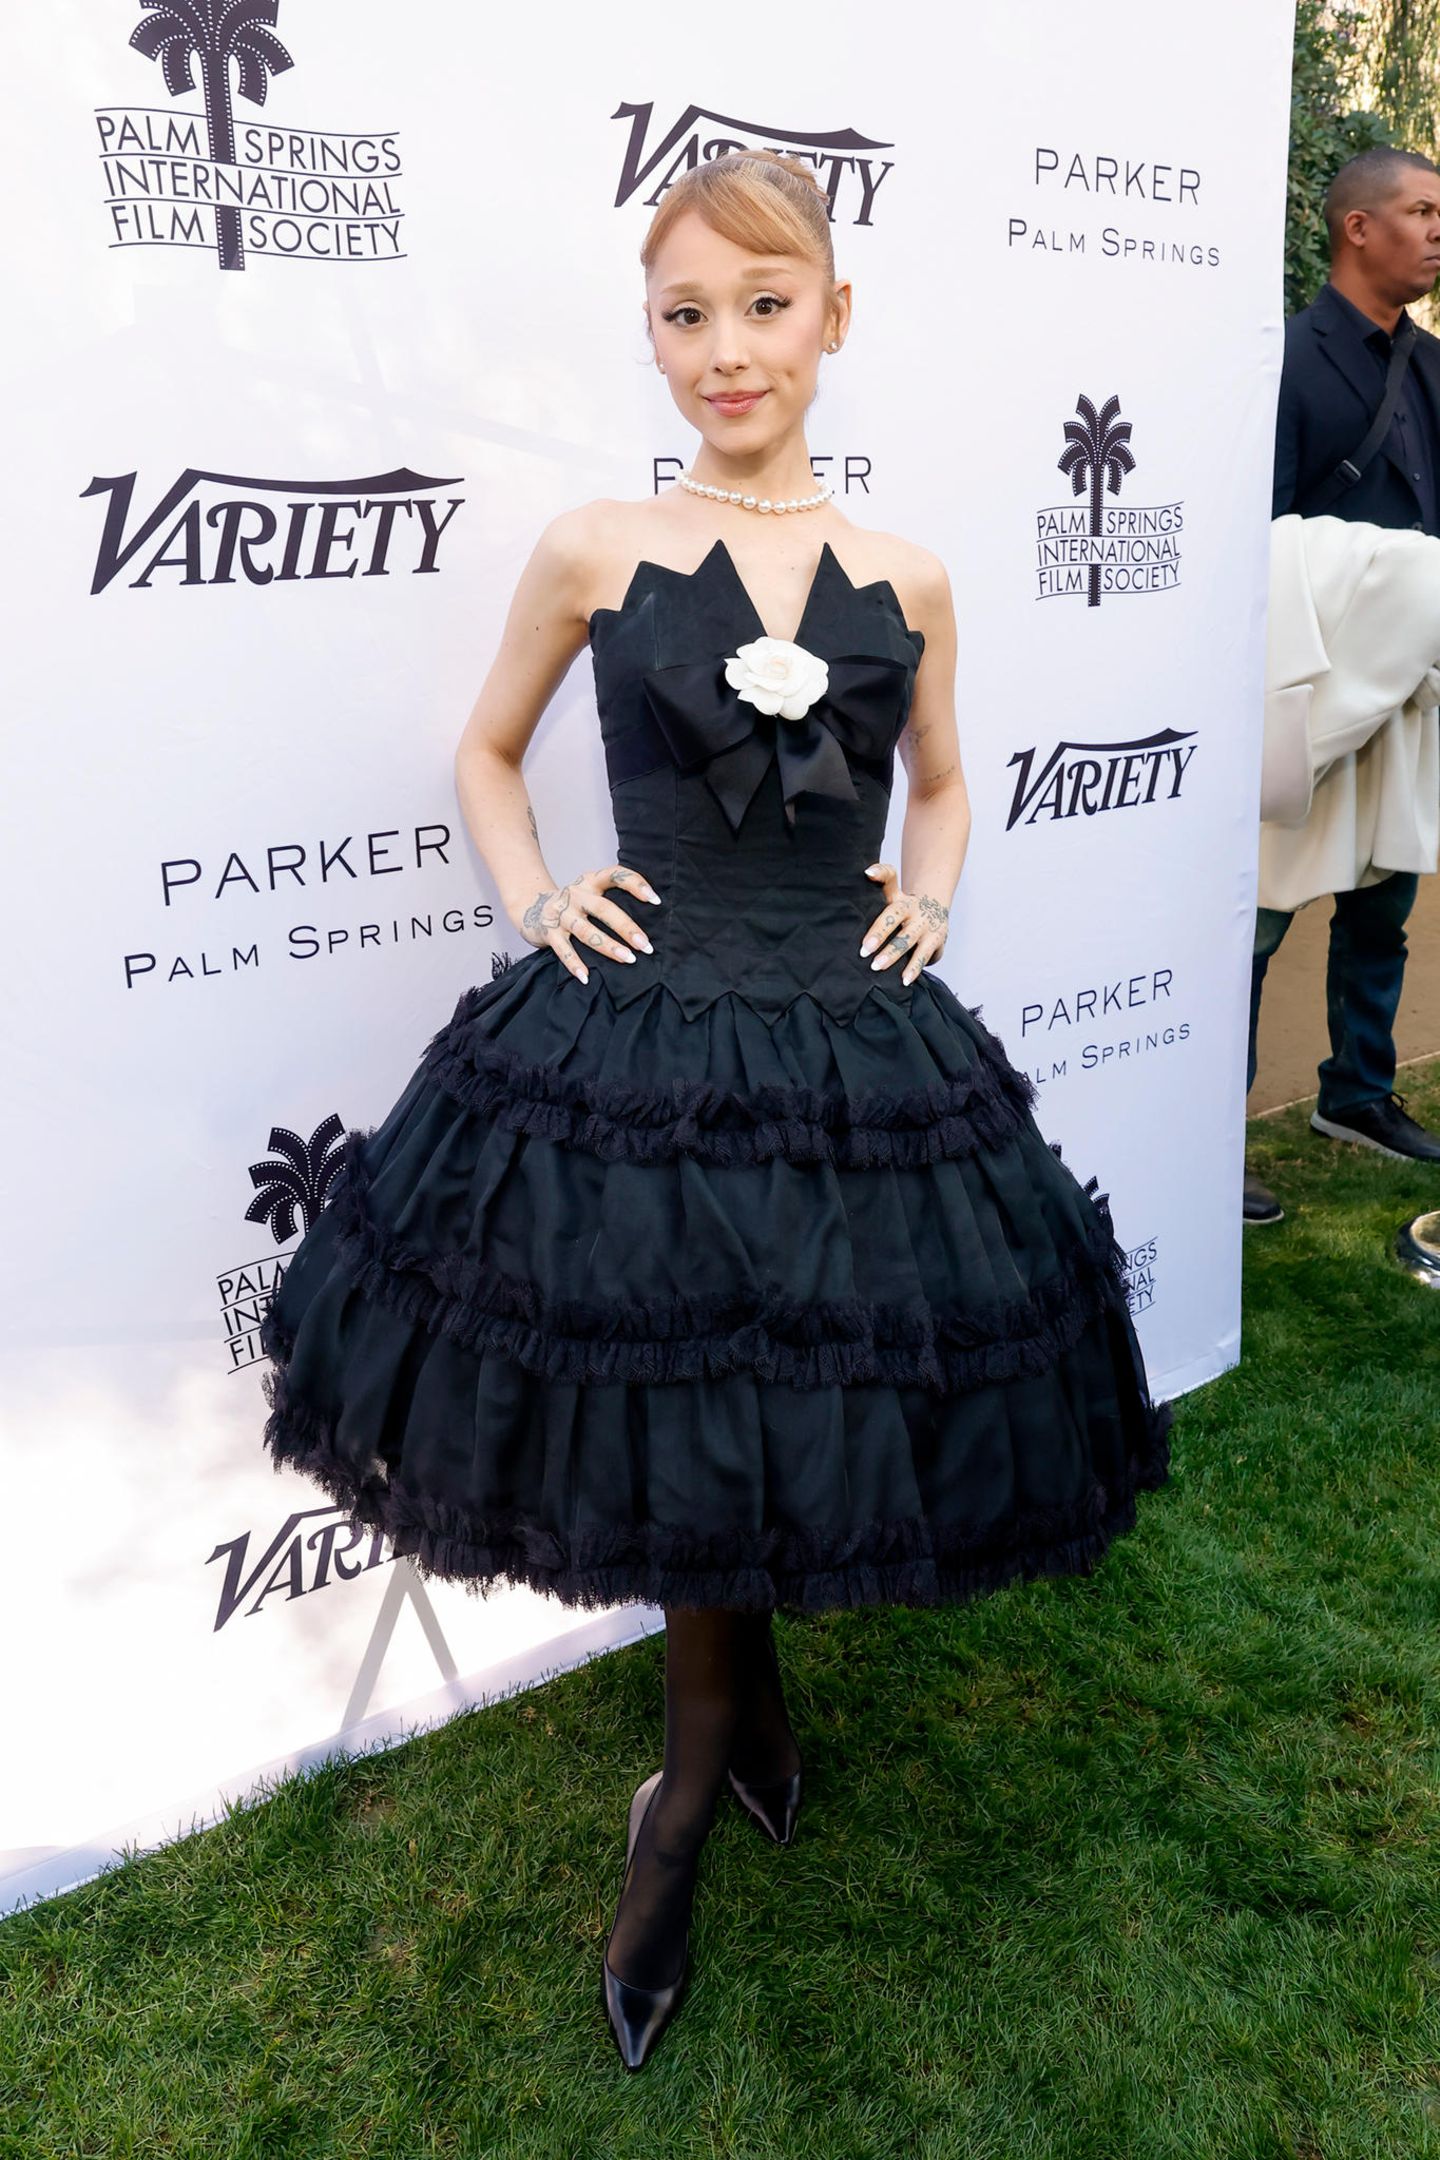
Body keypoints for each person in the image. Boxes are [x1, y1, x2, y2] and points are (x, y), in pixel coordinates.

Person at [257, 150, 1173, 2070]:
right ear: (653, 335)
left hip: (845, 1038)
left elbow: (944, 779)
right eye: (687, 314)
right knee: (678, 1372)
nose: (727, 348)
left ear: (835, 316)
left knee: (776, 1370)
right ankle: (679, 1798)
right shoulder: (597, 546)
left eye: (764, 306)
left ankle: (741, 1721)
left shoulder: (911, 574)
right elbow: (485, 748)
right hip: (639, 1042)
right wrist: (537, 896)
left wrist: (931, 894)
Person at [1248, 145, 1440, 1225]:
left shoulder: (1433, 365)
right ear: (1358, 228)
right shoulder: (1281, 356)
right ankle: (1208, 1128)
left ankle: (1357, 1094)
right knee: (1258, 921)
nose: (1438, 230)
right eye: (1421, 210)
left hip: (1407, 690)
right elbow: (1262, 532)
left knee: (1385, 905)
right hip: (1312, 683)